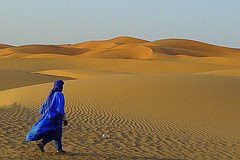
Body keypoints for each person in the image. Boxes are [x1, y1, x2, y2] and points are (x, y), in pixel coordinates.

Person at [25, 80, 68, 154]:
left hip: (47, 118)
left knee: (56, 133)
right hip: (55, 118)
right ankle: (43, 144)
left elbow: (41, 110)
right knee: (57, 133)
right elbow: (60, 109)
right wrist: (63, 119)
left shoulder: (50, 95)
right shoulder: (59, 94)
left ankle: (58, 149)